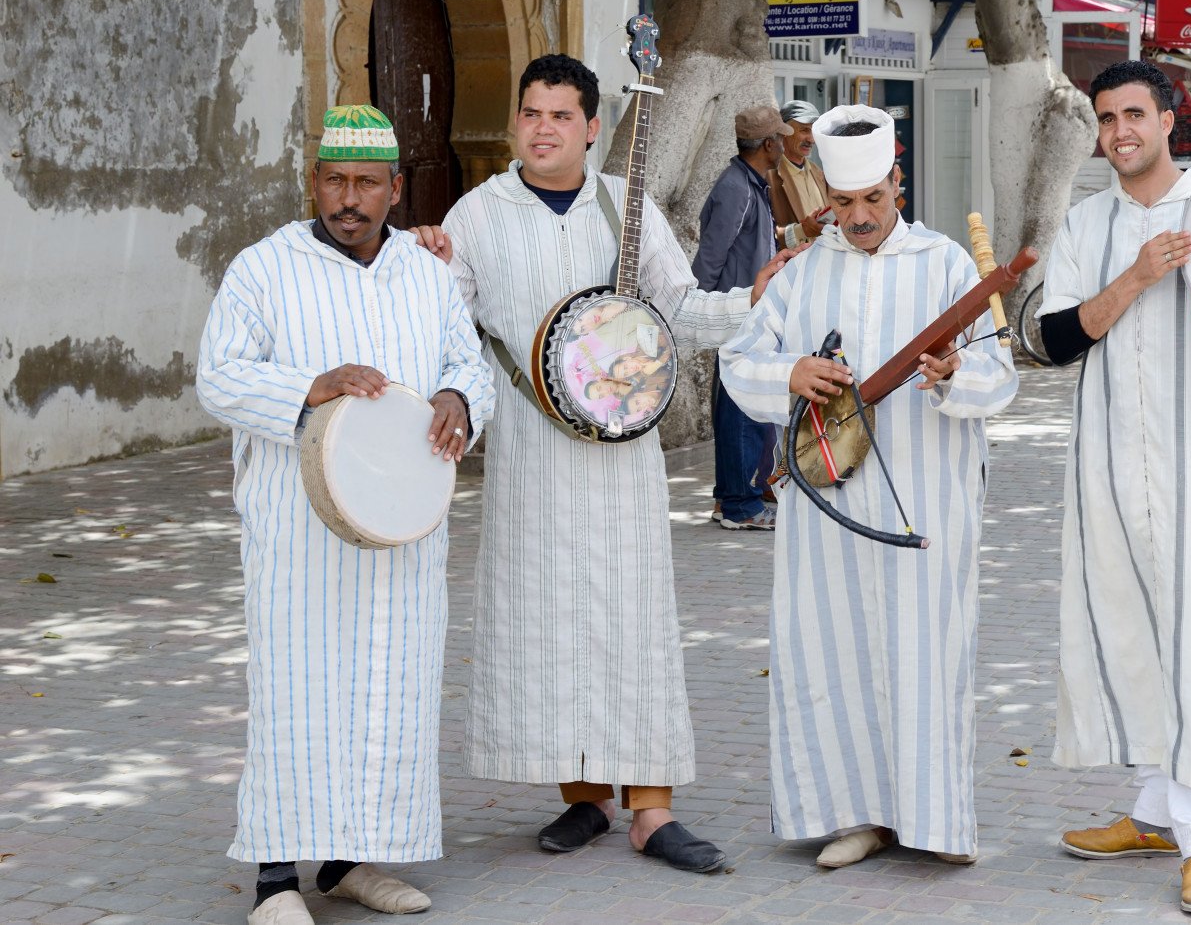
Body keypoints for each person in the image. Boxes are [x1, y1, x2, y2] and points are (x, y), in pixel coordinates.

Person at [411, 55, 796, 875]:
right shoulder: (477, 216)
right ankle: (581, 799)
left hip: (623, 458)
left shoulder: (627, 208)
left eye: (560, 115)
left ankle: (652, 811)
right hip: (530, 452)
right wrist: (413, 259)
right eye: (530, 113)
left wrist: (752, 299)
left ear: (593, 127)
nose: (542, 128)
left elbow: (680, 308)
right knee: (545, 618)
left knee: (633, 618)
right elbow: (442, 330)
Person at [198, 105, 496, 925]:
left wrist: (457, 399)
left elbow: (470, 365)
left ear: (396, 189)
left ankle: (353, 860)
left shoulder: (425, 274)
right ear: (314, 182)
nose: (349, 199)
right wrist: (310, 386)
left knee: (389, 692)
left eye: (367, 183)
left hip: (402, 533)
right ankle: (272, 879)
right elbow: (217, 377)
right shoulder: (263, 269)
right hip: (297, 531)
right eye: (335, 180)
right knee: (297, 692)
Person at [719, 104, 1019, 869]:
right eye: (844, 203)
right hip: (829, 508)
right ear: (824, 190)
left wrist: (954, 375)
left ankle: (932, 819)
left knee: (925, 652)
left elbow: (998, 375)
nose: (858, 218)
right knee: (833, 650)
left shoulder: (948, 266)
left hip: (925, 497)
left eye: (873, 201)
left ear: (899, 182)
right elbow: (738, 360)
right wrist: (790, 372)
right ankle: (853, 815)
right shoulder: (803, 270)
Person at [1036, 61, 1191, 917]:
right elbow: (1054, 338)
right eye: (1107, 120)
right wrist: (1138, 277)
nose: (1120, 134)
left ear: (1168, 119)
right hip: (1106, 464)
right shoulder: (1086, 222)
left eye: (1134, 114)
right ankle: (1151, 811)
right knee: (1126, 628)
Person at [693, 105, 785, 531]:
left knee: (742, 409)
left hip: (746, 312)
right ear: (768, 145)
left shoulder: (749, 183)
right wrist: (704, 312)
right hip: (736, 314)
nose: (783, 146)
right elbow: (711, 256)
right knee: (740, 411)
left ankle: (730, 500)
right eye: (779, 139)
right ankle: (739, 507)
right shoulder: (737, 187)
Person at [770, 100, 831, 248]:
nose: (811, 139)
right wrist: (801, 231)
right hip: (787, 268)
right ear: (783, 131)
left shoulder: (819, 173)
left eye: (813, 131)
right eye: (804, 130)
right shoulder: (768, 177)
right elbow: (757, 236)